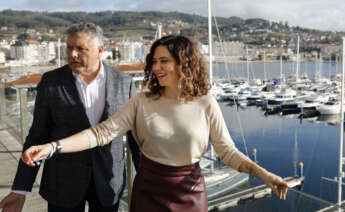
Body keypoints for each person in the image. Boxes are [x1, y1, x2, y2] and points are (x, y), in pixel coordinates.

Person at [21, 35, 288, 212]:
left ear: (184, 63)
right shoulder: (141, 102)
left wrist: (265, 175)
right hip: (148, 192)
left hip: (191, 194)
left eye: (165, 61)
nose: (157, 67)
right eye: (154, 61)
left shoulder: (206, 102)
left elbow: (227, 152)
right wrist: (53, 147)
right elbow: (101, 133)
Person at [0, 22, 140, 212]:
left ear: (100, 50)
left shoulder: (124, 82)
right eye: (69, 47)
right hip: (62, 183)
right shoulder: (51, 82)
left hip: (109, 181)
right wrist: (20, 189)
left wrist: (149, 182)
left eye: (80, 49)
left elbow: (136, 138)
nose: (73, 54)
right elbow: (37, 136)